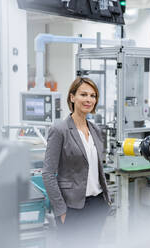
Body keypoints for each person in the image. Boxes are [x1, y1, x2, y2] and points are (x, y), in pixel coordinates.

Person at [42, 77, 111, 247]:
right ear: (72, 97)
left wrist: (106, 202)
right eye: (83, 94)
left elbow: (98, 168)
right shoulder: (60, 130)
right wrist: (61, 210)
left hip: (97, 204)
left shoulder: (96, 130)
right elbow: (48, 173)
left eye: (93, 96)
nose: (89, 100)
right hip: (72, 208)